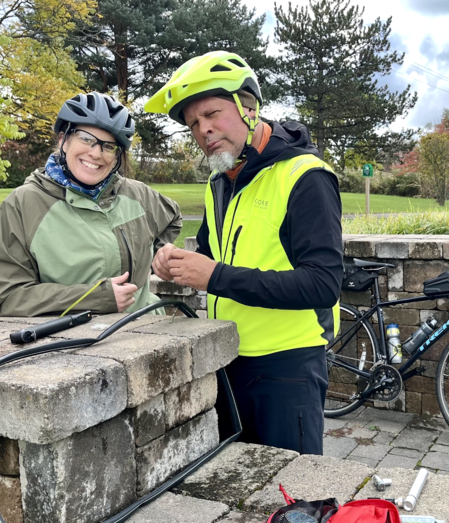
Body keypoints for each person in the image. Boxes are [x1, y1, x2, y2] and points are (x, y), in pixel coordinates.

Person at [144, 51, 343, 455]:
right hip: (227, 359)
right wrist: (170, 262)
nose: (204, 129)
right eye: (193, 123)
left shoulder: (305, 177)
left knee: (292, 503)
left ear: (249, 107)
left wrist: (214, 276)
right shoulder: (219, 181)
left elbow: (323, 285)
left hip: (287, 369)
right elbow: (208, 253)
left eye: (213, 113)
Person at [0, 92, 182, 317]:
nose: (96, 153)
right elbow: (9, 297)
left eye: (108, 146)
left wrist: (159, 255)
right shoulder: (22, 205)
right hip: (75, 345)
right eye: (86, 139)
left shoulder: (137, 194)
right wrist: (95, 298)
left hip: (148, 334)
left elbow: (173, 218)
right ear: (63, 139)